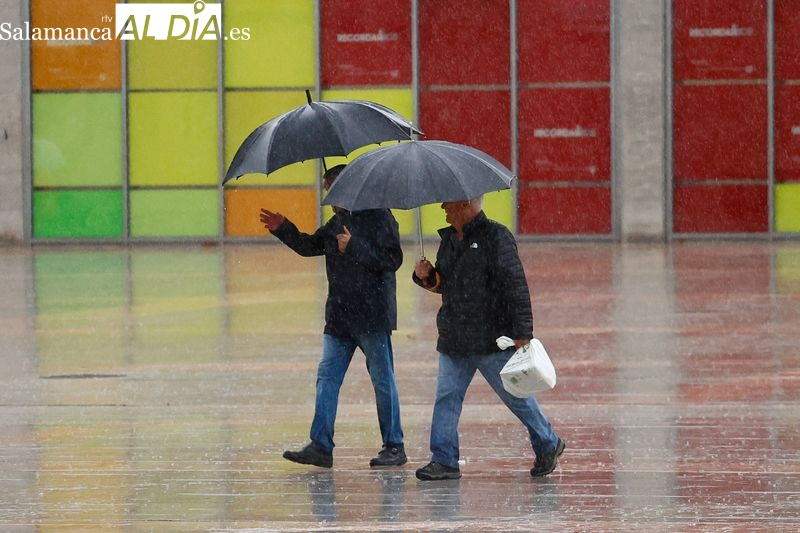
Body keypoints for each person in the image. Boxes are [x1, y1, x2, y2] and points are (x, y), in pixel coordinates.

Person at [259, 164, 406, 469]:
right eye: (327, 188)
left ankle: (394, 445)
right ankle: (321, 446)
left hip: (372, 317)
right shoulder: (336, 222)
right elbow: (310, 246)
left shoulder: (380, 216)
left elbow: (392, 260)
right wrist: (284, 228)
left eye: (333, 187)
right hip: (339, 318)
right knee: (327, 377)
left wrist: (354, 246)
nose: (329, 195)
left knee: (382, 379)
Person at [412, 197, 564, 480]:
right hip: (454, 337)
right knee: (447, 396)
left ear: (466, 204)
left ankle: (548, 442)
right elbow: (444, 285)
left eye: (448, 204)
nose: (442, 208)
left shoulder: (497, 236)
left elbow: (515, 285)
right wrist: (427, 276)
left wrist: (522, 333)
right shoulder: (449, 240)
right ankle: (444, 459)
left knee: (515, 395)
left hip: (489, 337)